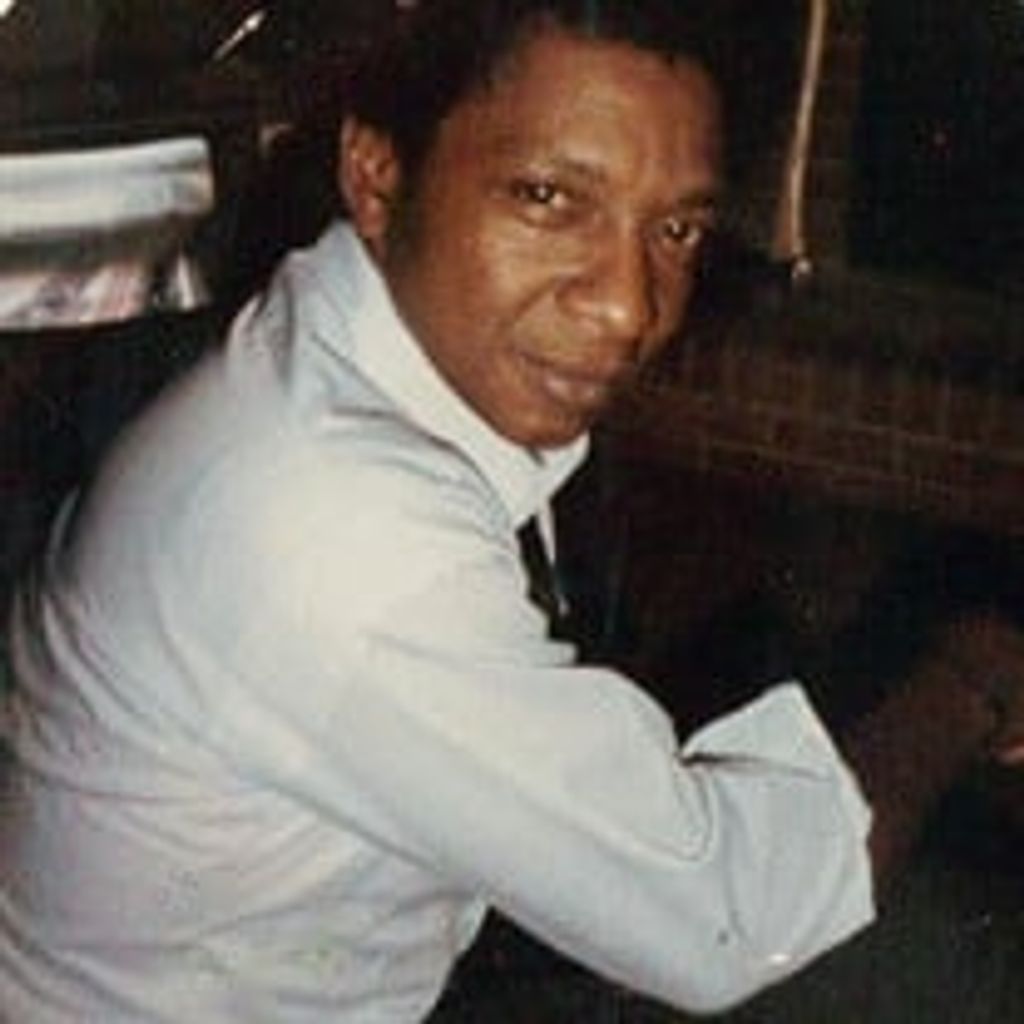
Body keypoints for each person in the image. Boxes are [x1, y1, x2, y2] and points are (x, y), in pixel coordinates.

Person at [2, 1, 1024, 1020]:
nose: (629, 306)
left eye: (674, 228)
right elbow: (731, 915)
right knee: (963, 966)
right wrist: (968, 681)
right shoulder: (338, 520)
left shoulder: (325, 352)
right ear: (376, 176)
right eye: (547, 198)